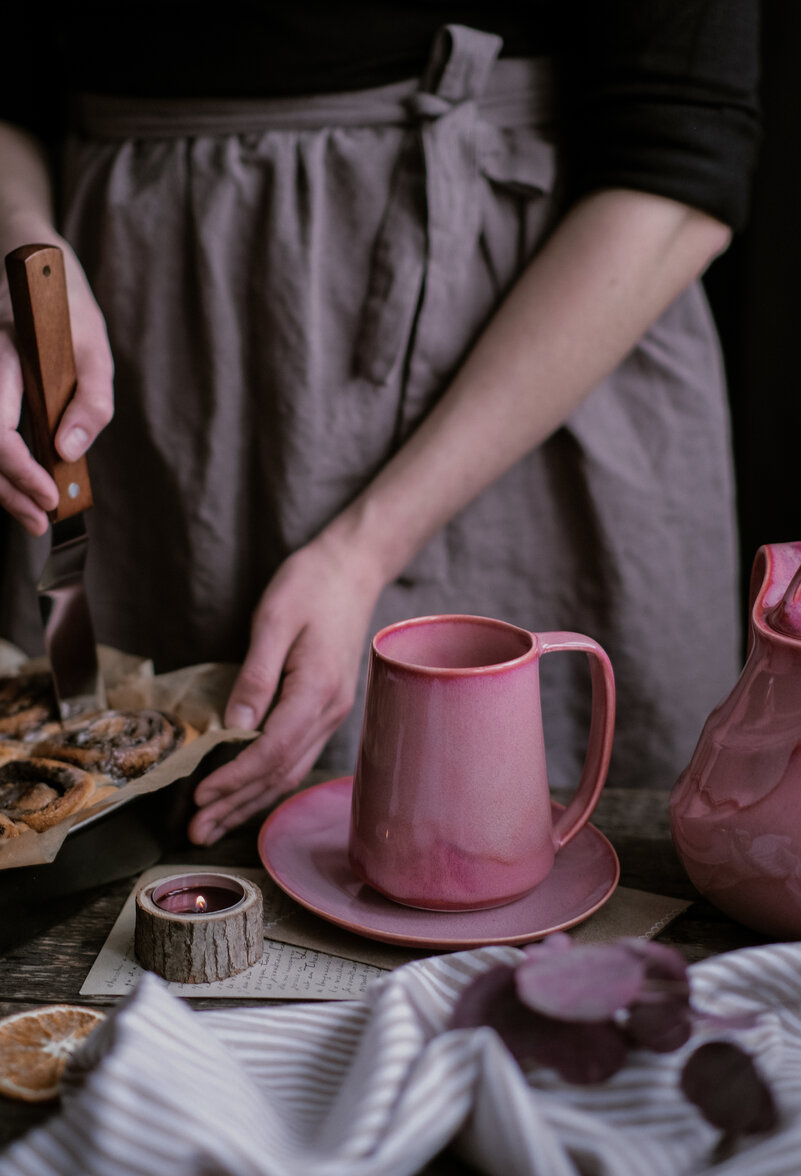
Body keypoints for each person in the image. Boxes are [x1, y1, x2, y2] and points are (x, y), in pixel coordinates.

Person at [0, 3, 761, 845]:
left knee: (537, 864)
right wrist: (20, 247)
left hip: (530, 367)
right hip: (147, 380)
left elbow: (681, 157)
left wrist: (363, 548)